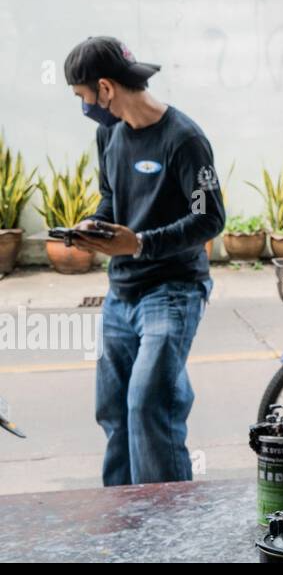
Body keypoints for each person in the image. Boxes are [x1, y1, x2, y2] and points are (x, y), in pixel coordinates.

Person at [64, 36, 225, 484]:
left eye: (83, 97)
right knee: (114, 408)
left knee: (148, 405)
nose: (85, 107)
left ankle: (168, 530)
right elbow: (111, 198)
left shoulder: (184, 138)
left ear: (106, 88)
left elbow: (209, 219)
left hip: (172, 292)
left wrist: (138, 244)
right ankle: (123, 522)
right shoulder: (108, 133)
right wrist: (95, 227)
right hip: (121, 294)